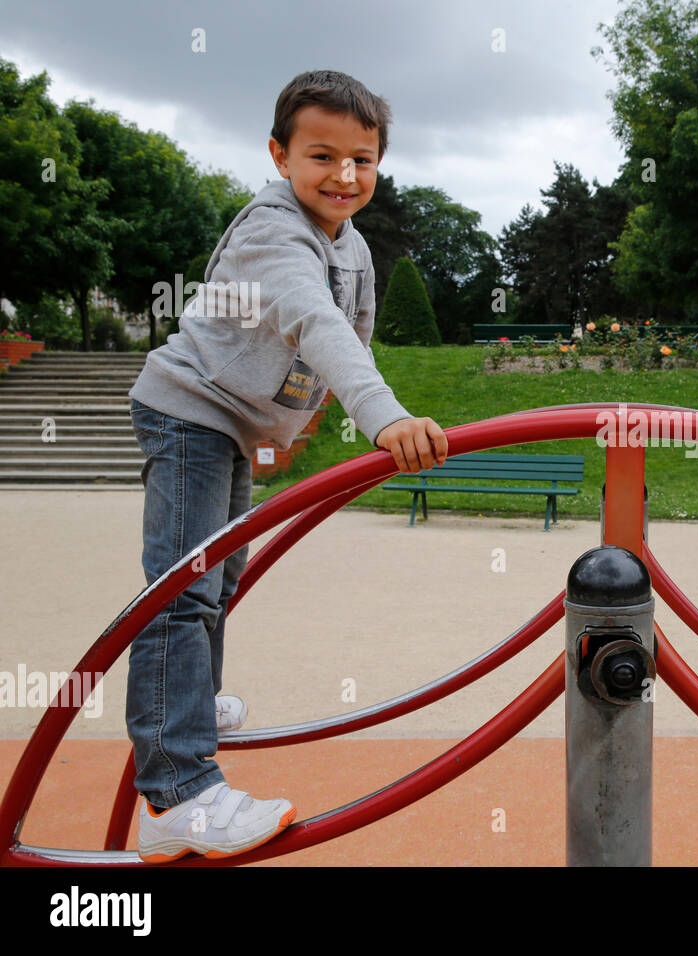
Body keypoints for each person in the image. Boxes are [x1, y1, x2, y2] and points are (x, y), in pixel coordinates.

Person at [126, 69, 448, 862]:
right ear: (279, 155)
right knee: (181, 592)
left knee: (221, 578)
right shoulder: (273, 232)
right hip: (189, 409)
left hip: (237, 423)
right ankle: (175, 794)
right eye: (322, 155)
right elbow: (313, 324)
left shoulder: (354, 246)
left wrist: (294, 429)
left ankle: (191, 703)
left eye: (363, 160)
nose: (344, 176)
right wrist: (387, 417)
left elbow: (354, 340)